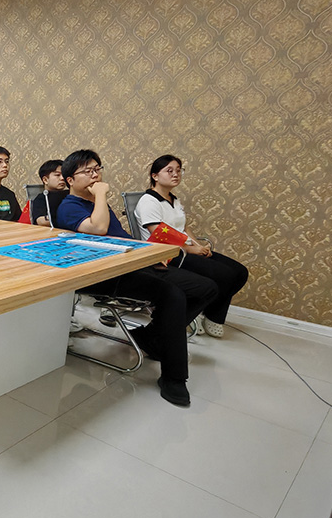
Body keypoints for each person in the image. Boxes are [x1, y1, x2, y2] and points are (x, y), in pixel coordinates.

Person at [55, 149, 218, 407]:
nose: (95, 175)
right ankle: (174, 377)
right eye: (87, 171)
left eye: (97, 169)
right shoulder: (68, 206)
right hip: (105, 274)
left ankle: (152, 336)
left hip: (133, 264)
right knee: (172, 295)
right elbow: (98, 229)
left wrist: (149, 254)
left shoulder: (98, 203)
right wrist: (100, 194)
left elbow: (120, 236)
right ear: (70, 180)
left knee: (207, 288)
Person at [135, 155, 249, 338]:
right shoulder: (149, 201)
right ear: (155, 176)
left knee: (239, 272)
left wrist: (198, 245)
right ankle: (209, 315)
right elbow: (160, 233)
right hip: (167, 254)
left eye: (178, 170)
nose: (175, 174)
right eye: (169, 171)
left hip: (185, 248)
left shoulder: (174, 199)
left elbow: (184, 227)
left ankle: (209, 313)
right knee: (224, 275)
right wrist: (190, 249)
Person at [29, 159, 68, 227]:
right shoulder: (41, 198)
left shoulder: (70, 194)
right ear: (45, 180)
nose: (62, 178)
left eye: (64, 175)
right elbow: (40, 221)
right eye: (57, 175)